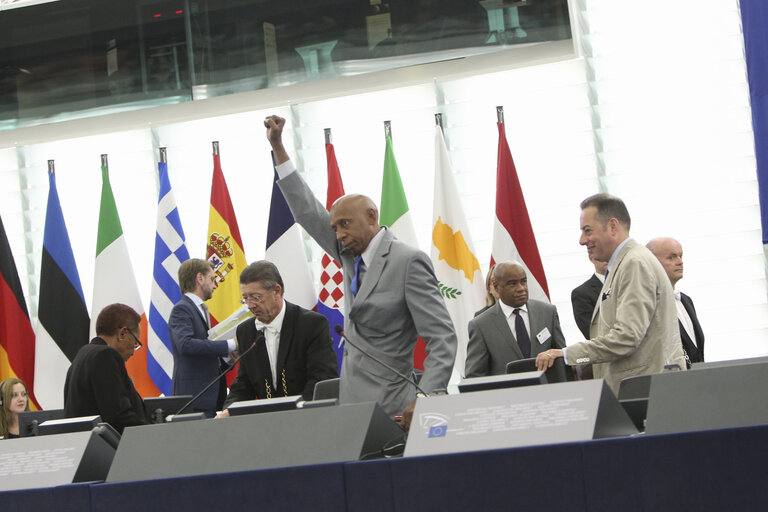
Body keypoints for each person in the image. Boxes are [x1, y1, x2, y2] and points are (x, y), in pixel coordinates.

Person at [265, 114, 457, 428]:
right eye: (334, 227)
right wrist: (278, 147)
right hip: (351, 407)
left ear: (371, 216)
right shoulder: (348, 254)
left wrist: (426, 398)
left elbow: (443, 337)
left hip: (397, 406)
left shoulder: (408, 261)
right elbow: (305, 210)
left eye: (345, 224)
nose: (338, 234)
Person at [536, 193, 686, 394]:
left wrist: (566, 354)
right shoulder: (623, 264)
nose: (582, 240)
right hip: (639, 391)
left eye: (587, 231)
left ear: (613, 226)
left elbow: (626, 337)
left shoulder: (635, 263)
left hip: (645, 394)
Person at [219, 261, 338, 413]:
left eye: (256, 297)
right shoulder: (246, 331)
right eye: (245, 298)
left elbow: (322, 378)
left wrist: (292, 411)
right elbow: (244, 384)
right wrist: (229, 411)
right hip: (266, 425)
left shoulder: (312, 324)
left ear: (276, 291)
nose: (250, 305)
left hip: (306, 418)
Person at [465, 261, 566, 377]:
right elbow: (474, 376)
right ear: (496, 286)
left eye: (523, 282)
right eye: (512, 284)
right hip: (507, 394)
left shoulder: (547, 312)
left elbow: (562, 358)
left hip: (549, 392)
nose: (521, 288)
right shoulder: (481, 325)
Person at [64, 303, 148, 434]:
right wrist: (149, 431)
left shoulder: (83, 354)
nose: (133, 351)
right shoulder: (105, 356)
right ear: (122, 333)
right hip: (111, 449)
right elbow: (118, 415)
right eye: (135, 342)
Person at [169, 258, 237, 417]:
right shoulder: (182, 309)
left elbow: (202, 355)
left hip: (209, 399)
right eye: (212, 279)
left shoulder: (198, 309)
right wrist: (230, 344)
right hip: (193, 401)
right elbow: (185, 345)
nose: (215, 285)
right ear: (200, 278)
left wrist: (229, 359)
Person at [647, 237, 705, 367]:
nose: (680, 262)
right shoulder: (649, 304)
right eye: (671, 257)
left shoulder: (686, 300)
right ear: (652, 263)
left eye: (681, 256)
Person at [571, 254, 608, 340]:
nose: (606, 258)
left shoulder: (626, 283)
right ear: (591, 258)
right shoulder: (581, 293)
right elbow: (591, 333)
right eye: (601, 254)